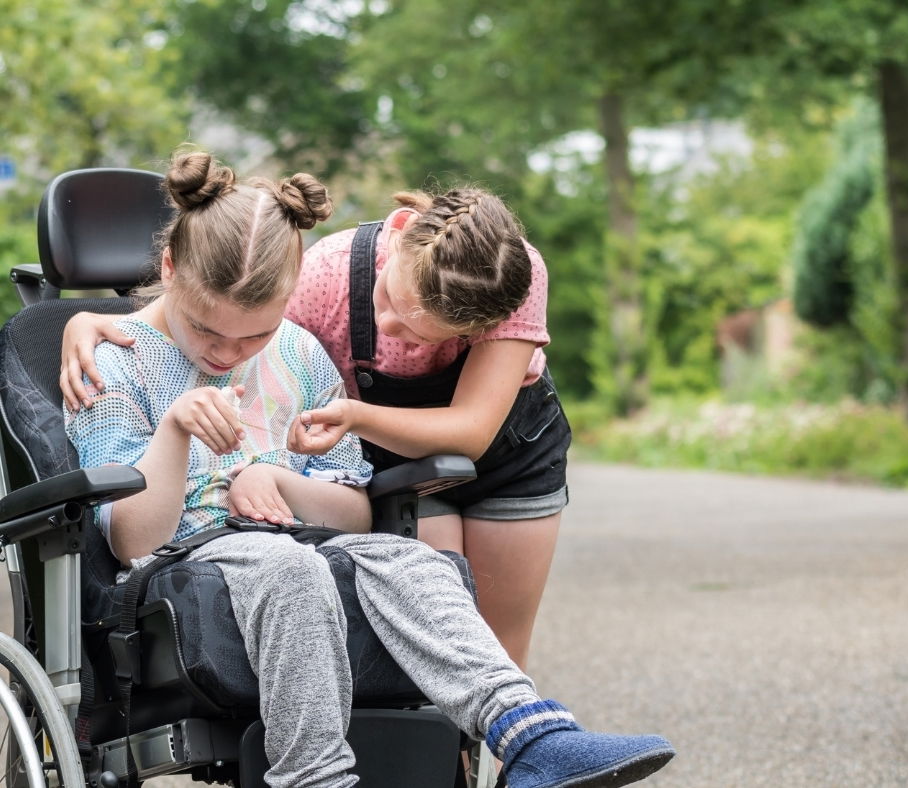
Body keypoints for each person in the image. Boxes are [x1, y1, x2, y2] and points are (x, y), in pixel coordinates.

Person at [64, 150, 674, 788]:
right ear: (167, 268)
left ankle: (534, 737)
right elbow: (130, 539)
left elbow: (354, 511)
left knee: (413, 562)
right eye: (206, 331)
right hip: (192, 556)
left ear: (288, 298)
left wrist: (283, 483)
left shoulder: (298, 351)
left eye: (253, 337)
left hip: (306, 536)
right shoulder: (115, 365)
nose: (227, 354)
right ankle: (314, 776)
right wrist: (174, 431)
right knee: (292, 569)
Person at [61, 179, 568, 670]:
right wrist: (88, 321)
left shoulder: (508, 273)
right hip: (388, 462)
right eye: (390, 303)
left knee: (496, 644)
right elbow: (223, 306)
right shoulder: (325, 275)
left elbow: (470, 432)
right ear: (400, 234)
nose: (394, 330)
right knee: (427, 642)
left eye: (424, 333)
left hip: (505, 450)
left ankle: (527, 743)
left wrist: (347, 420)